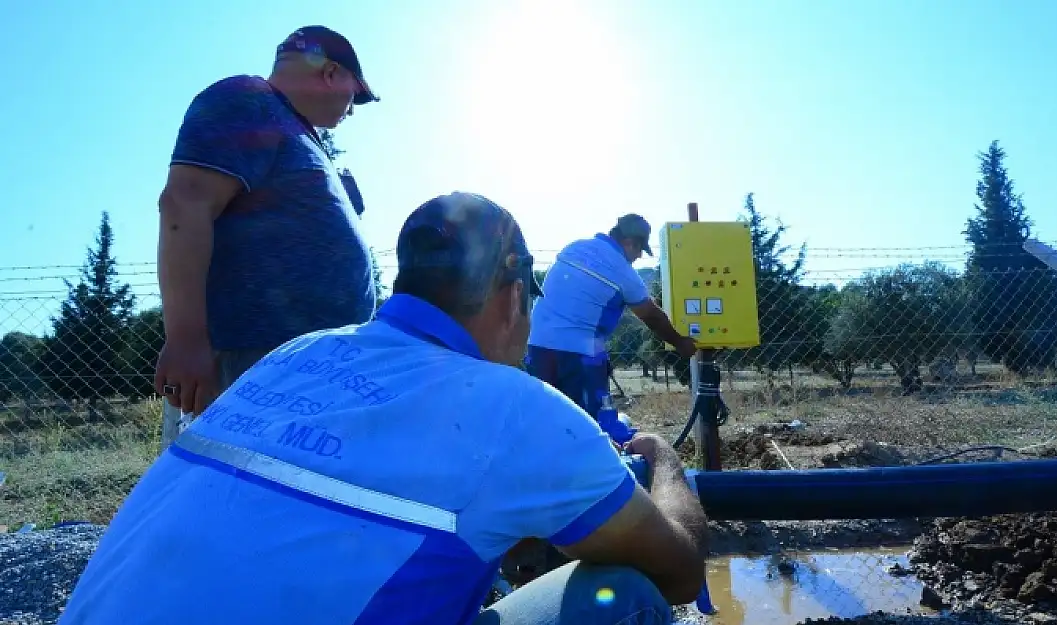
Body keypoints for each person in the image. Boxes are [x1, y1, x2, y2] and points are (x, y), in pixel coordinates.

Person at [58, 192, 710, 625]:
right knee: (624, 599)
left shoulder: (300, 352)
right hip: (584, 390)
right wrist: (668, 465)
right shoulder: (517, 409)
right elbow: (679, 569)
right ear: (511, 298)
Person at [154, 25, 380, 434]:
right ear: (331, 73)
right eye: (356, 95)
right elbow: (185, 203)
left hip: (305, 369)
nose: (351, 110)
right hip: (253, 366)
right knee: (231, 494)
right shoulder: (249, 101)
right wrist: (185, 338)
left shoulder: (296, 133)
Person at [526, 214, 698, 419]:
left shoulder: (575, 247)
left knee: (541, 419)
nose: (638, 258)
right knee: (584, 423)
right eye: (639, 250)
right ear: (630, 243)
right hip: (578, 355)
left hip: (536, 346)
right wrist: (680, 342)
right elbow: (652, 316)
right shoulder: (623, 272)